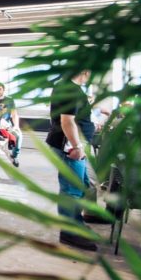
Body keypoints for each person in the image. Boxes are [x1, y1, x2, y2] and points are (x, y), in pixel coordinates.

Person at [46, 70, 98, 251]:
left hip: (72, 145)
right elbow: (67, 121)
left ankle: (77, 224)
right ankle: (69, 233)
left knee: (81, 186)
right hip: (69, 147)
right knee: (71, 191)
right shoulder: (70, 89)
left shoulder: (69, 88)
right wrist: (76, 146)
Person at [0, 82, 22, 167]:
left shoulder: (9, 100)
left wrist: (16, 125)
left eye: (0, 89)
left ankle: (14, 155)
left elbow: (14, 114)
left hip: (6, 125)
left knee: (18, 135)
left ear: (3, 89)